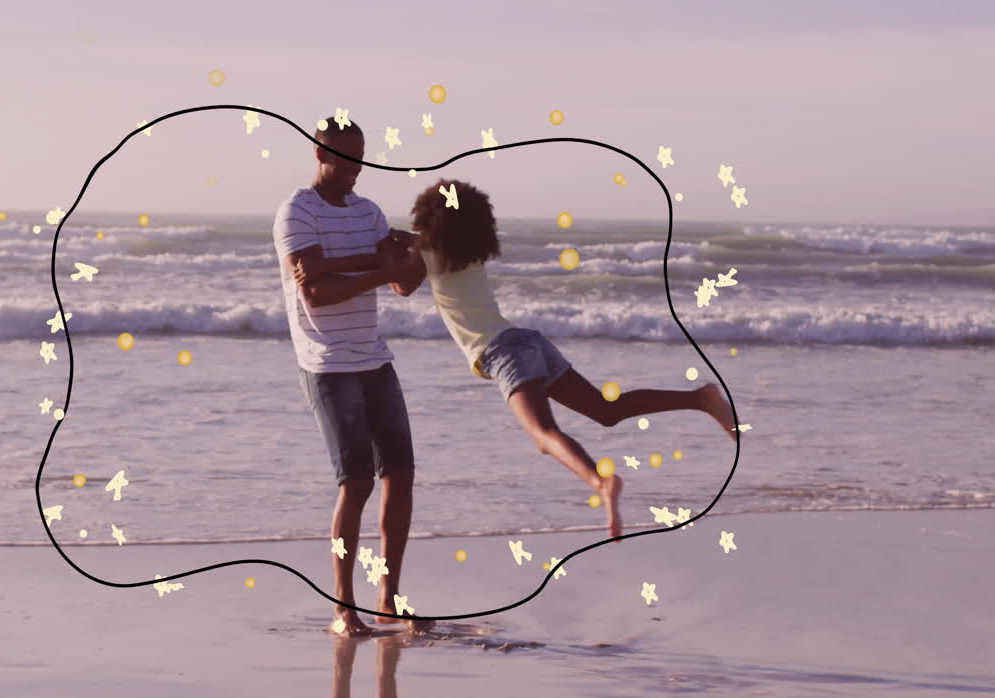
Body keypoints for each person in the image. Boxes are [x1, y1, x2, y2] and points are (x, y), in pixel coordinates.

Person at [297, 179, 737, 543]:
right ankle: (700, 398)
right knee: (607, 409)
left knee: (544, 435)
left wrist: (329, 265)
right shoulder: (465, 250)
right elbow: (414, 258)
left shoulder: (426, 254)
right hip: (528, 341)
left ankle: (601, 481)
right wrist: (403, 246)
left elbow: (400, 283)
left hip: (504, 352)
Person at [272, 117, 432, 636]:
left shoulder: (369, 213)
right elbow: (315, 293)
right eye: (344, 158)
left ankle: (389, 596)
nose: (355, 169)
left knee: (400, 475)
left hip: (373, 356)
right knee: (357, 481)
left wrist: (416, 251)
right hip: (327, 361)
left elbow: (407, 282)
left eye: (361, 157)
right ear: (321, 154)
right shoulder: (298, 211)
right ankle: (344, 608)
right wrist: (381, 266)